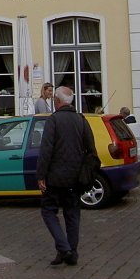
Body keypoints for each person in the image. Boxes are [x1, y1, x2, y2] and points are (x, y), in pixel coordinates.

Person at [36, 85, 95, 267]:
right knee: (72, 214)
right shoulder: (81, 120)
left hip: (55, 177)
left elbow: (46, 149)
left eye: (55, 98)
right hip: (75, 177)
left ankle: (64, 248)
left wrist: (41, 175)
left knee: (48, 211)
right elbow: (91, 150)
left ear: (58, 101)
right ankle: (71, 252)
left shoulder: (54, 120)